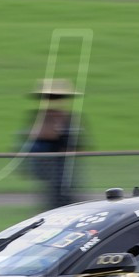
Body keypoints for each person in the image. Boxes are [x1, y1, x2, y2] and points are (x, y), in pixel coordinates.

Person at [20, 79, 86, 208]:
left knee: (66, 195)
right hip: (47, 166)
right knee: (53, 195)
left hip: (65, 167)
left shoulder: (71, 118)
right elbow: (36, 136)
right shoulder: (39, 117)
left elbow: (78, 143)